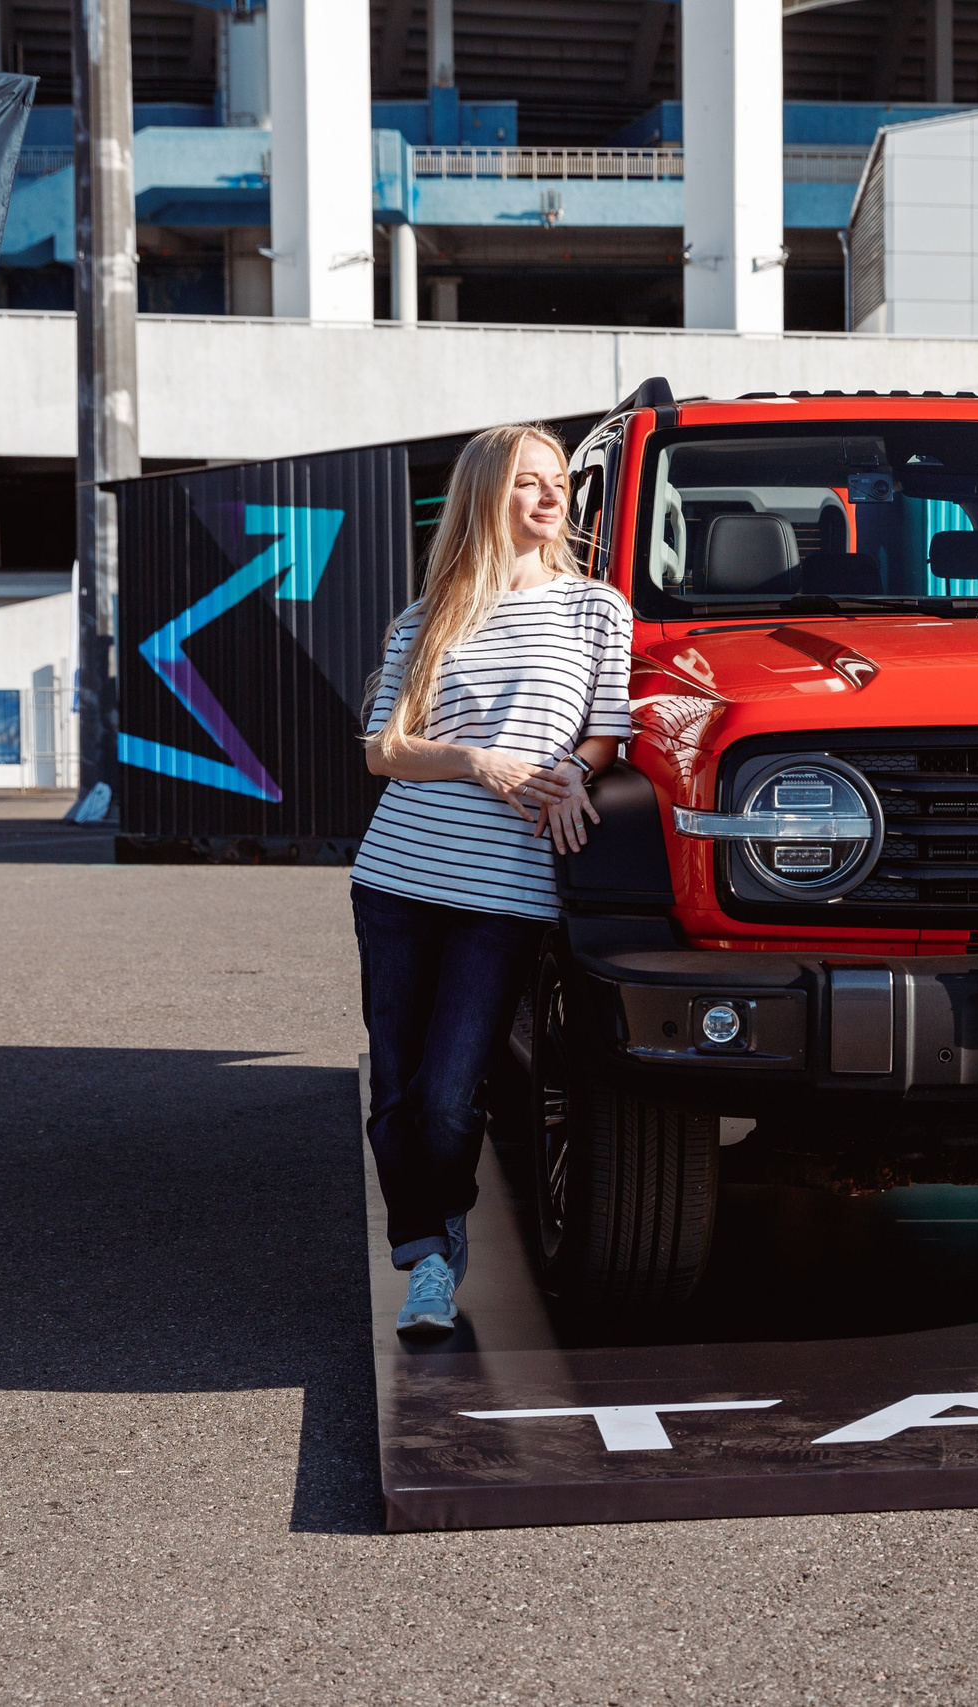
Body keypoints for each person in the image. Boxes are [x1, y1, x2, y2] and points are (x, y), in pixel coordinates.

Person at [352, 423, 634, 1339]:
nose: (551, 499)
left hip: (506, 892)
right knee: (394, 1086)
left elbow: (607, 728)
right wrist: (483, 762)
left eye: (558, 483)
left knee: (448, 1093)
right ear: (485, 495)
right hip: (397, 879)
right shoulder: (427, 616)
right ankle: (426, 1256)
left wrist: (577, 776)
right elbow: (384, 751)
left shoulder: (598, 610)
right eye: (528, 483)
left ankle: (445, 1210)